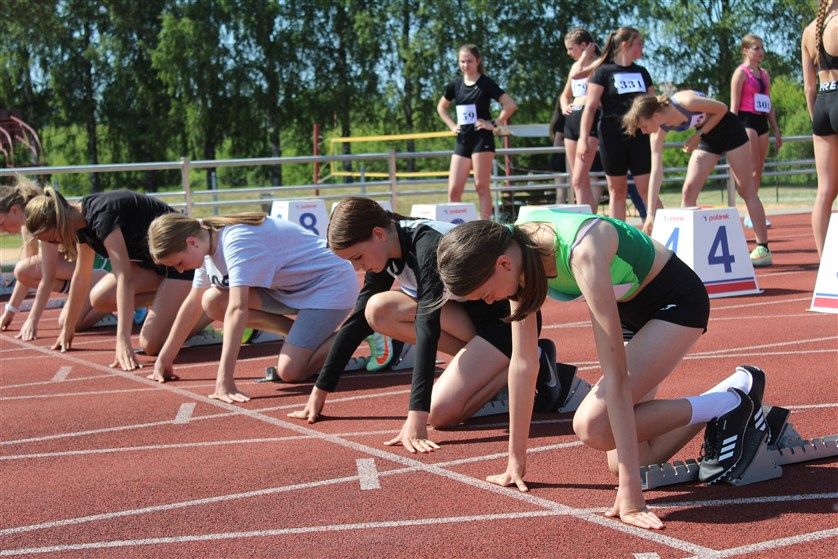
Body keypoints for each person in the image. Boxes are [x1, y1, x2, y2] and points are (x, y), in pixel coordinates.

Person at [436, 210, 768, 529]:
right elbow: (523, 365)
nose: (491, 302)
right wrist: (515, 463)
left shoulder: (582, 252)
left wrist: (632, 493)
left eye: (487, 294)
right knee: (629, 458)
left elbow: (618, 376)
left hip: (674, 303)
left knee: (593, 426)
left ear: (503, 264)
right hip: (626, 307)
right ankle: (727, 398)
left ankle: (732, 404)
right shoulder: (512, 254)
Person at [288, 197, 561, 453]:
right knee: (378, 310)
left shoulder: (426, 244)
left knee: (441, 414)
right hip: (470, 322)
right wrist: (319, 392)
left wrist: (416, 418)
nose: (358, 267)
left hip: (505, 323)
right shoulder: (385, 252)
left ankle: (531, 358)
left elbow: (428, 326)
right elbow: (359, 320)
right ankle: (488, 367)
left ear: (378, 235)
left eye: (357, 257)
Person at [147, 212, 359, 403]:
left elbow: (238, 309)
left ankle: (365, 331)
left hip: (329, 287)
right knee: (212, 300)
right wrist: (165, 358)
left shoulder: (237, 241)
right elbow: (193, 304)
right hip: (289, 291)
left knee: (291, 372)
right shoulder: (206, 246)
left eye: (179, 263)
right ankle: (298, 337)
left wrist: (225, 380)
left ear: (191, 242)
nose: (181, 270)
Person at [23, 188, 210, 370]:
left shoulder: (102, 217)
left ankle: (211, 307)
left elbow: (124, 278)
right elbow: (81, 276)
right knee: (99, 298)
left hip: (182, 261)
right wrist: (68, 328)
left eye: (54, 240)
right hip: (158, 266)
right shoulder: (80, 223)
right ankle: (170, 300)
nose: (57, 245)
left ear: (60, 223)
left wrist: (123, 341)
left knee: (152, 344)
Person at [622, 91, 773, 265]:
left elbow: (722, 109)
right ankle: (686, 252)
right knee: (688, 191)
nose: (644, 131)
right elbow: (656, 172)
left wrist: (697, 136)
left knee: (746, 190)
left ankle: (763, 248)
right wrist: (650, 213)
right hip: (708, 137)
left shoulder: (686, 101)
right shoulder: (658, 133)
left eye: (644, 126)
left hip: (730, 129)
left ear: (655, 115)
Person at [1, 177, 108, 338]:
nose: (1, 230)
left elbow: (48, 277)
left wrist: (32, 319)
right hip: (80, 267)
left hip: (98, 264)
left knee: (69, 322)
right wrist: (9, 312)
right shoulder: (28, 226)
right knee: (23, 271)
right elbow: (26, 276)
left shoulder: (43, 220)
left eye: (0, 223)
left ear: (15, 210)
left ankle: (127, 304)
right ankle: (93, 302)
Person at [577, 27, 658, 221]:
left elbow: (653, 104)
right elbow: (590, 108)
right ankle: (619, 242)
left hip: (639, 136)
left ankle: (663, 235)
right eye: (639, 43)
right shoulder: (603, 72)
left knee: (647, 189)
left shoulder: (642, 72)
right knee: (616, 191)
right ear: (625, 44)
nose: (642, 47)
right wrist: (583, 139)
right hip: (611, 137)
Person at [437, 44, 518, 220]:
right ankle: (454, 228)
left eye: (469, 61)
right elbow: (441, 107)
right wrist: (452, 125)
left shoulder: (485, 83)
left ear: (477, 61)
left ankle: (485, 226)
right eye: (462, 61)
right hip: (463, 138)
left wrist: (494, 124)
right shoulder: (456, 84)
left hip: (482, 139)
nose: (465, 65)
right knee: (454, 189)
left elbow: (510, 105)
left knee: (481, 186)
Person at [730, 33, 783, 229]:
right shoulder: (741, 73)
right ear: (745, 50)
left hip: (762, 122)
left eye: (762, 47)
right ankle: (749, 213)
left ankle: (753, 211)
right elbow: (733, 106)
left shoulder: (764, 74)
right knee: (751, 168)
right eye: (756, 48)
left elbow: (768, 103)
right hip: (746, 120)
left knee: (759, 168)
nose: (760, 51)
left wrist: (776, 129)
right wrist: (731, 130)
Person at [802, 0, 838, 258]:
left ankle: (825, 263)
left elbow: (808, 88)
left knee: (824, 191)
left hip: (822, 106)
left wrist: (819, 121)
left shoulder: (809, 30)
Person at [560, 28, 603, 212]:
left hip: (590, 119)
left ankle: (589, 221)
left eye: (571, 48)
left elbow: (579, 74)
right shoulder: (575, 66)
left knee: (579, 177)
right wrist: (564, 106)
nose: (569, 53)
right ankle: (589, 218)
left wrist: (586, 56)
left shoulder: (599, 65)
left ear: (584, 46)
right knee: (578, 179)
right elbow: (565, 94)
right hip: (572, 120)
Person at [548, 97, 570, 204]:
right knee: (562, 195)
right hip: (562, 161)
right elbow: (557, 143)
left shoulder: (558, 119)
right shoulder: (563, 119)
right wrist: (573, 141)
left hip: (559, 160)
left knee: (562, 195)